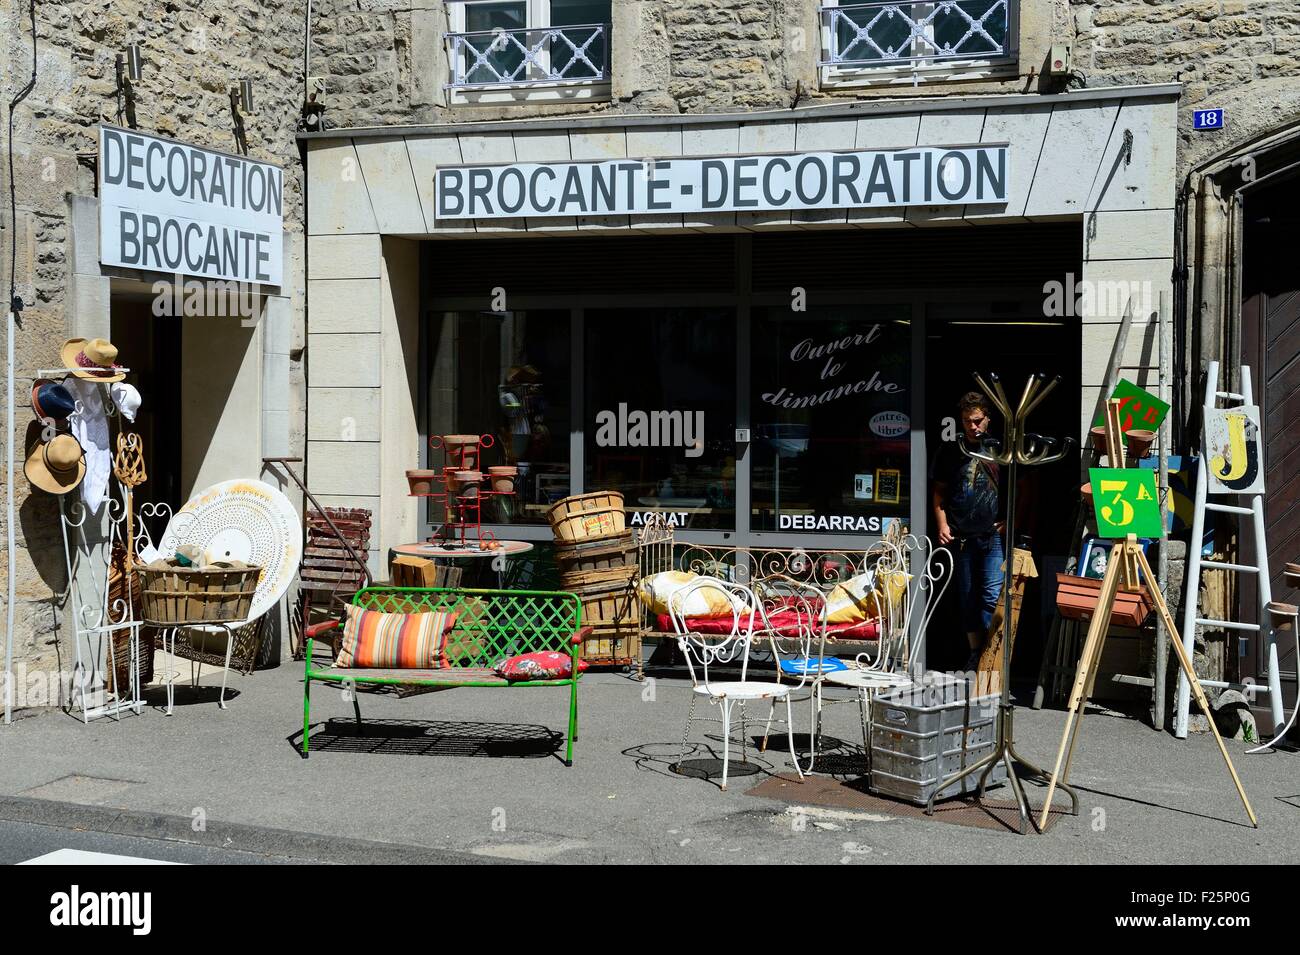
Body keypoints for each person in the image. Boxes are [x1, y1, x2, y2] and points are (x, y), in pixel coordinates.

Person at [931, 391, 1006, 671]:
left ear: (988, 419)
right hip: (961, 536)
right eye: (967, 421)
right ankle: (977, 653)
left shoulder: (1000, 450)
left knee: (990, 595)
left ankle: (992, 655)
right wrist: (941, 523)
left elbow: (1026, 488)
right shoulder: (952, 451)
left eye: (977, 421)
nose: (972, 427)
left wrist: (1013, 520)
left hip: (992, 535)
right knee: (967, 596)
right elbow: (938, 491)